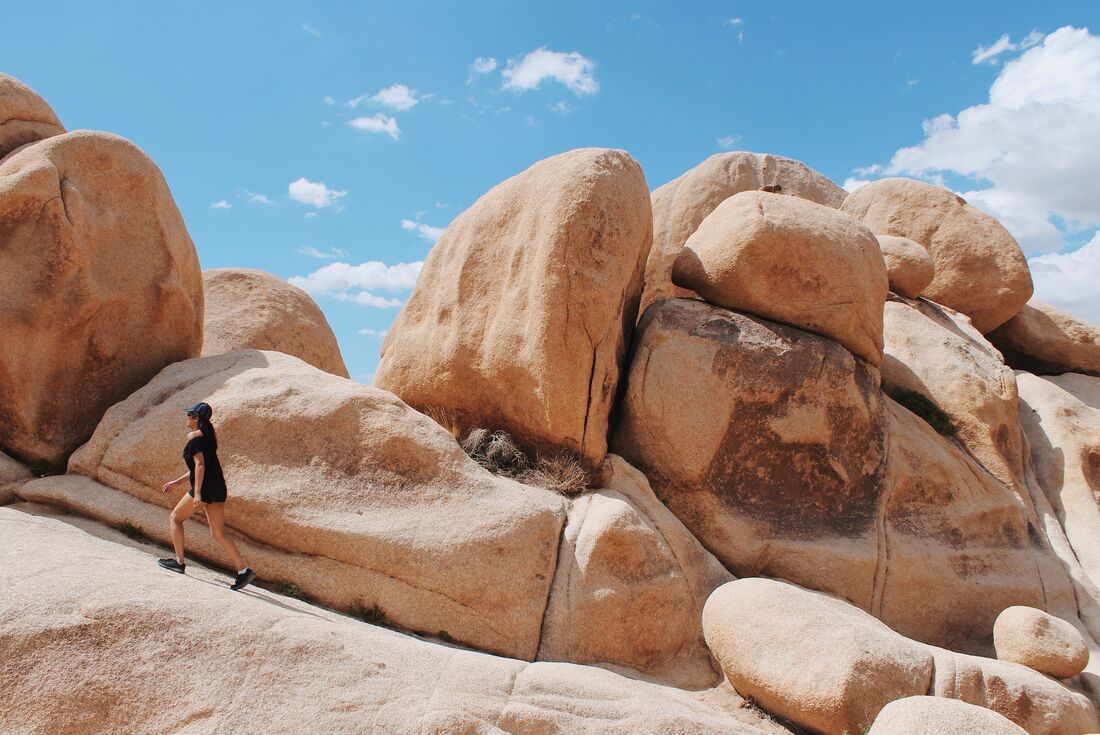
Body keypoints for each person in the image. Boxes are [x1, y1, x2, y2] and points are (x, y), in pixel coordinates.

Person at [157, 401, 256, 591]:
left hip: (205, 488)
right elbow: (199, 466)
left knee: (175, 518)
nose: (186, 418)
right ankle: (243, 571)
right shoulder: (209, 436)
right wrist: (177, 482)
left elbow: (200, 466)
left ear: (196, 418)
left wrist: (198, 494)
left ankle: (179, 562)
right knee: (218, 533)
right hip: (218, 487)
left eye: (189, 415)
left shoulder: (194, 436)